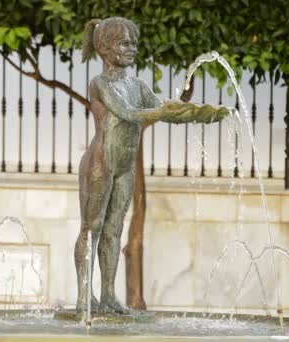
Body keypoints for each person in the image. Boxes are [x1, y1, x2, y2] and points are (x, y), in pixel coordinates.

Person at [74, 17, 231, 314]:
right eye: (125, 43)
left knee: (114, 230)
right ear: (105, 47)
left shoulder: (137, 84)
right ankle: (85, 295)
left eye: (134, 43)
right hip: (100, 162)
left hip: (124, 165)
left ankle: (107, 294)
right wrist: (167, 108)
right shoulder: (100, 84)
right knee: (91, 227)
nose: (132, 48)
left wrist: (197, 113)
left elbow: (161, 112)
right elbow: (129, 113)